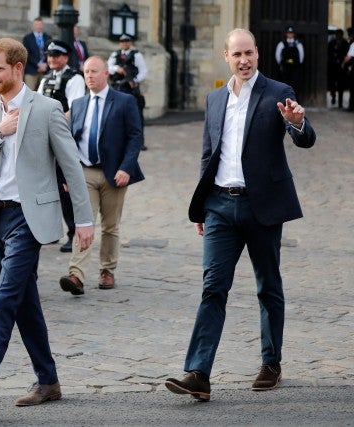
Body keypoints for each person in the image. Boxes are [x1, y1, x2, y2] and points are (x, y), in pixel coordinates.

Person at [164, 28, 316, 402]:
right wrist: (200, 205)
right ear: (226, 56)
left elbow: (304, 137)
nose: (244, 60)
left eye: (249, 53)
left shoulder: (279, 93)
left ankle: (271, 362)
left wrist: (297, 121)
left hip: (261, 206)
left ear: (258, 54)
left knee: (268, 287)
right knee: (212, 288)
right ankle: (198, 373)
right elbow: (207, 153)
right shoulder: (215, 98)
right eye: (237, 55)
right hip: (218, 205)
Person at [0, 37, 94, 418]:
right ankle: (48, 381)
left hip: (30, 220)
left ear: (17, 69)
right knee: (25, 303)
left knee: (4, 299)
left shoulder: (47, 109)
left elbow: (71, 167)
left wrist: (83, 220)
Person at [59, 56, 144, 295]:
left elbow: (135, 136)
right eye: (86, 72)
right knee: (84, 222)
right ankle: (76, 274)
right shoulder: (78, 105)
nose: (89, 76)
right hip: (84, 172)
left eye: (94, 71)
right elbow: (67, 142)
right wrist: (67, 175)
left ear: (106, 74)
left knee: (110, 226)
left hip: (114, 174)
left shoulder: (124, 102)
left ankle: (107, 270)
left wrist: (126, 167)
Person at [37, 39, 86, 252]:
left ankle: (74, 231)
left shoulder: (74, 78)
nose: (52, 60)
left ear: (65, 57)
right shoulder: (46, 79)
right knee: (48, 187)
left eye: (56, 56)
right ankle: (49, 230)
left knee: (65, 187)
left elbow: (74, 109)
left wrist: (53, 126)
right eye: (49, 56)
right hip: (45, 139)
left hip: (64, 137)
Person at [107, 34, 148, 150]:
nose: (124, 43)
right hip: (118, 87)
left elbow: (143, 71)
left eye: (127, 41)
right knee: (115, 114)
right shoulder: (115, 54)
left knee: (136, 115)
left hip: (131, 89)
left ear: (130, 42)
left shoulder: (137, 55)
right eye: (122, 41)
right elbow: (108, 67)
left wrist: (134, 80)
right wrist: (117, 69)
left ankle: (139, 142)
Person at [275, 26, 304, 101]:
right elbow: (278, 56)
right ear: (286, 34)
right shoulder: (282, 44)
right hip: (285, 69)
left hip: (295, 68)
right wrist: (282, 64)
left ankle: (294, 101)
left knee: (295, 85)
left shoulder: (298, 44)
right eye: (288, 33)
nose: (290, 35)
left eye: (291, 33)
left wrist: (297, 65)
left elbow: (301, 56)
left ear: (293, 34)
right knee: (284, 84)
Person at [22, 17, 51, 90]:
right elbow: (27, 54)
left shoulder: (48, 38)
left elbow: (50, 52)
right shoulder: (27, 38)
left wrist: (45, 65)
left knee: (45, 94)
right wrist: (38, 64)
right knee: (29, 93)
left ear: (43, 26)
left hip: (45, 71)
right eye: (36, 24)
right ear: (33, 26)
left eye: (40, 24)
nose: (39, 26)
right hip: (31, 71)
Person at [327, 29, 349, 108]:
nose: (338, 36)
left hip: (342, 68)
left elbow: (347, 54)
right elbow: (328, 54)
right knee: (332, 83)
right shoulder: (331, 43)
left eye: (340, 34)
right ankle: (333, 95)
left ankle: (340, 102)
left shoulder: (345, 43)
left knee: (341, 85)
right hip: (333, 67)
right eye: (337, 34)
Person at [341, 28, 354, 111]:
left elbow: (349, 57)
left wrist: (343, 63)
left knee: (352, 87)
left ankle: (351, 106)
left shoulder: (353, 44)